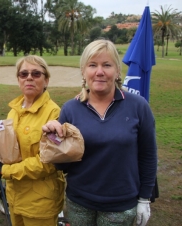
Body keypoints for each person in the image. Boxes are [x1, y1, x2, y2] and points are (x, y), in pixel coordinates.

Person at [42, 39, 157, 226]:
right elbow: (61, 165)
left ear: (118, 70)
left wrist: (144, 198)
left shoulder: (138, 106)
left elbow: (148, 156)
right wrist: (52, 138)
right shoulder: (71, 109)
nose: (99, 72)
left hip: (121, 205)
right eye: (93, 65)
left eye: (107, 65)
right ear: (83, 70)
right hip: (79, 202)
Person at [0, 55, 65, 226]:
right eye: (24, 74)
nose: (29, 77)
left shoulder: (55, 114)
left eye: (36, 74)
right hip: (14, 198)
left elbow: (48, 163)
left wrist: (4, 171)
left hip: (40, 203)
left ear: (46, 80)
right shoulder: (13, 112)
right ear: (18, 79)